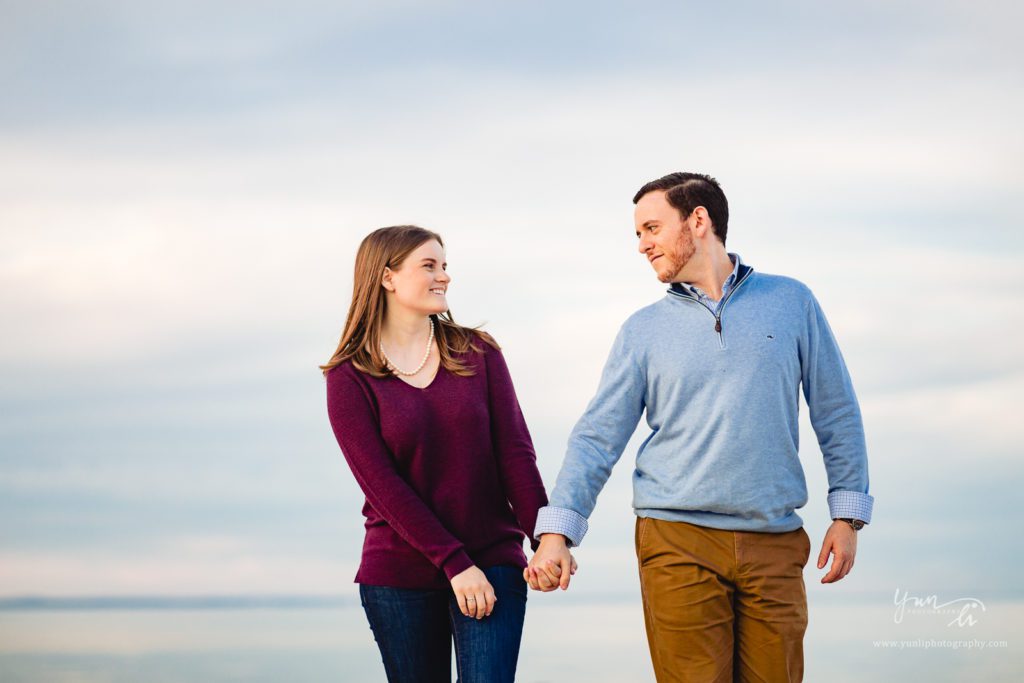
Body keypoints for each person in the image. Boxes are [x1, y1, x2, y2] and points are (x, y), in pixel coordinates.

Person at [525, 173, 873, 682]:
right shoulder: (642, 330)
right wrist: (557, 532)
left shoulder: (792, 302)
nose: (642, 245)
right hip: (676, 539)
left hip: (774, 539)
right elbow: (597, 437)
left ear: (699, 221)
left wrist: (848, 515)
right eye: (638, 234)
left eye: (651, 228)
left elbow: (836, 410)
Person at [322, 225, 562, 683]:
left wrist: (544, 541)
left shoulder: (478, 352)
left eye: (445, 266)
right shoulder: (348, 377)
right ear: (387, 277)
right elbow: (384, 487)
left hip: (493, 561)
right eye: (429, 266)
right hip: (400, 575)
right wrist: (455, 563)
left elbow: (515, 455)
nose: (444, 277)